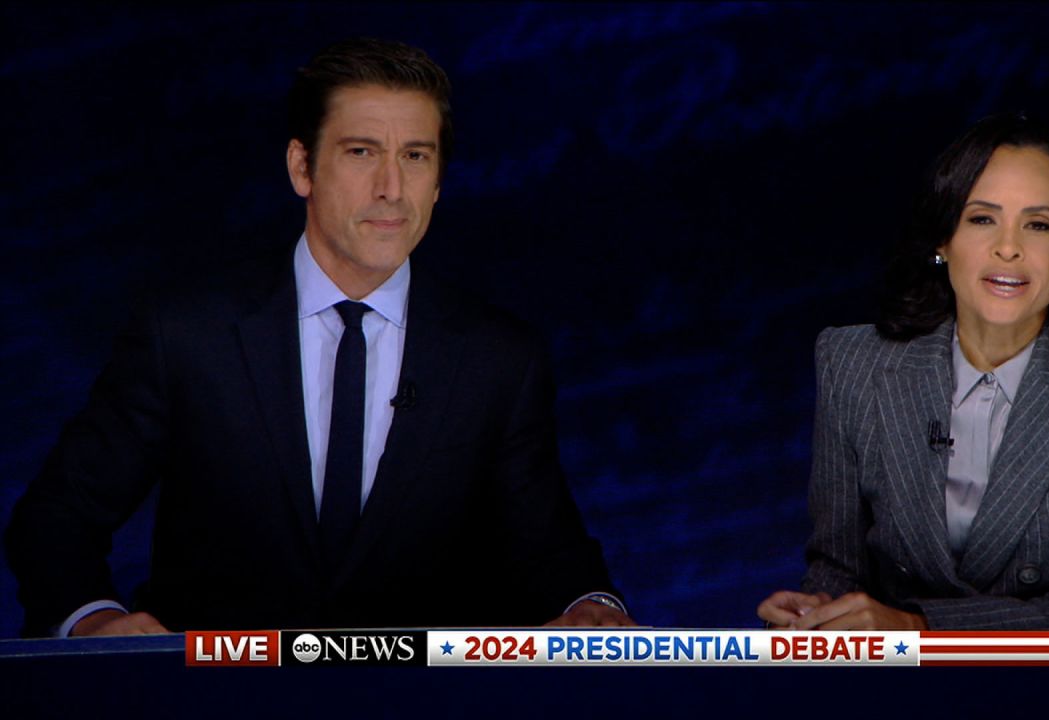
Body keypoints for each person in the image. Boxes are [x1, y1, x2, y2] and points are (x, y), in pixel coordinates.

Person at [6, 37, 632, 636]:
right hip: (217, 700)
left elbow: (548, 548)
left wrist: (590, 605)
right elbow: (58, 516)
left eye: (415, 156)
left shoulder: (499, 357)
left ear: (439, 181)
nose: (392, 188)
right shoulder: (187, 334)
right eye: (361, 152)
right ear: (301, 167)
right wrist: (92, 619)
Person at [757, 113, 1049, 638]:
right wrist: (817, 614)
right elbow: (840, 567)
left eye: (1038, 225)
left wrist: (922, 628)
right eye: (982, 219)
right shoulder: (852, 364)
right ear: (943, 239)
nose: (1008, 248)